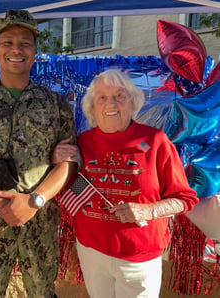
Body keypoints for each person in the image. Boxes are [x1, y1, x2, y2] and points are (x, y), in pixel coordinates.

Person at [0, 9, 79, 298]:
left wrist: (33, 202)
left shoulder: (55, 104)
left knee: (42, 293)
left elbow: (70, 162)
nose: (16, 50)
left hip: (41, 225)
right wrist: (7, 203)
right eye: (7, 42)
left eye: (25, 42)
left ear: (34, 51)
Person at [53, 69, 199, 298]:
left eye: (120, 95)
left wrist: (148, 210)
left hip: (138, 259)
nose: (111, 103)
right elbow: (66, 184)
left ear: (132, 101)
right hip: (91, 251)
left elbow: (185, 199)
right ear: (92, 107)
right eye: (102, 97)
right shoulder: (82, 142)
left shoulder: (156, 141)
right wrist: (57, 160)